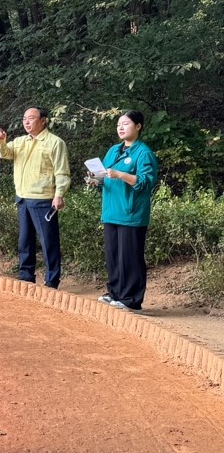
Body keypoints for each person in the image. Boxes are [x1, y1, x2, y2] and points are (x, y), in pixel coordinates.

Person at [89, 110, 159, 312]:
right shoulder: (113, 151)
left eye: (126, 123)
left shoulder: (143, 153)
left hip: (131, 213)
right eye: (119, 124)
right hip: (111, 210)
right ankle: (115, 293)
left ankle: (132, 300)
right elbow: (104, 177)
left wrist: (120, 174)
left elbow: (146, 183)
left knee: (130, 257)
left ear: (138, 126)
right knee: (113, 255)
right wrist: (96, 179)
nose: (120, 127)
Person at [0, 106, 71, 288]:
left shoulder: (54, 142)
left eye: (31, 118)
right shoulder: (21, 141)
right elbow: (4, 153)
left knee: (48, 241)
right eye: (24, 119)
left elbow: (62, 172)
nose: (27, 122)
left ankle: (52, 280)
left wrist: (59, 195)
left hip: (44, 199)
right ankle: (26, 276)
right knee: (25, 240)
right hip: (22, 197)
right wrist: (1, 142)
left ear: (43, 120)